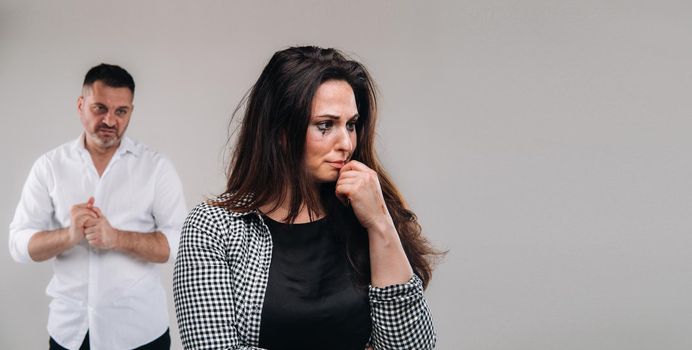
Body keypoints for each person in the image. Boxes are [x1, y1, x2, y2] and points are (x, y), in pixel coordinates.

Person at [173, 46, 440, 350]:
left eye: (351, 124)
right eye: (326, 125)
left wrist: (380, 224)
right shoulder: (214, 227)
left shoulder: (365, 213)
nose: (346, 143)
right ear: (281, 133)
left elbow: (413, 347)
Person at [9, 63, 187, 349]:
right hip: (70, 334)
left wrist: (116, 238)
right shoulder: (49, 167)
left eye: (121, 111)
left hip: (140, 334)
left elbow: (180, 243)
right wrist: (68, 236)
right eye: (99, 108)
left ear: (131, 111)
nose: (109, 120)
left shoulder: (156, 168)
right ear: (81, 105)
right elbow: (18, 244)